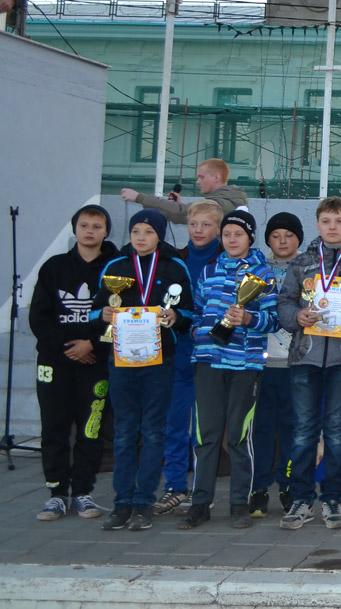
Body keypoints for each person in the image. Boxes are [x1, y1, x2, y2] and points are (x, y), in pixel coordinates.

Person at [276, 197, 341, 531]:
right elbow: (284, 301)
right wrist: (297, 316)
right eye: (326, 221)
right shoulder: (302, 263)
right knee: (304, 432)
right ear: (318, 224)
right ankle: (301, 499)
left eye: (339, 221)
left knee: (336, 432)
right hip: (304, 356)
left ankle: (332, 499)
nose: (332, 227)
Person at [94, 209, 193, 531]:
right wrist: (103, 314)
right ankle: (122, 502)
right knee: (124, 432)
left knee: (153, 432)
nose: (140, 237)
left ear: (159, 235)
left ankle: (144, 503)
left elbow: (190, 311)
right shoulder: (115, 266)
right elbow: (96, 309)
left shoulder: (174, 266)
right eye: (136, 231)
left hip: (160, 360)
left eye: (148, 232)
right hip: (122, 359)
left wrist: (177, 318)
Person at [181, 211, 280, 530]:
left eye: (239, 234)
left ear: (250, 237)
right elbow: (197, 311)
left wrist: (249, 319)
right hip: (208, 362)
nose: (232, 239)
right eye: (227, 234)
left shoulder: (263, 274)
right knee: (205, 435)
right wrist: (199, 333)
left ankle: (239, 503)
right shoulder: (208, 271)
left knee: (238, 436)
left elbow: (274, 320)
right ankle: (200, 503)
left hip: (245, 364)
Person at [30, 205, 117, 521]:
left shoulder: (115, 269)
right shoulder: (54, 267)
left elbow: (120, 317)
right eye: (84, 225)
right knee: (54, 425)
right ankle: (56, 494)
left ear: (106, 231)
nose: (90, 231)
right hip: (56, 361)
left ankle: (82, 492)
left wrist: (92, 344)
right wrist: (68, 348)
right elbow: (39, 317)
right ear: (75, 229)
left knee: (90, 428)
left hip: (95, 361)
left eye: (97, 226)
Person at [155, 198, 223, 517]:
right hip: (179, 350)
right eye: (193, 224)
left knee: (205, 426)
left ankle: (201, 489)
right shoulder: (175, 260)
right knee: (176, 420)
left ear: (219, 228)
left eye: (206, 225)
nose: (198, 230)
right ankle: (175, 485)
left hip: (214, 352)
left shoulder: (228, 260)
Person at [249, 212, 303, 518]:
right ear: (267, 240)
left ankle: (288, 486)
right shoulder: (257, 270)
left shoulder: (309, 269)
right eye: (275, 236)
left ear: (299, 239)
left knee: (292, 428)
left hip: (296, 363)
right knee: (261, 428)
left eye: (289, 236)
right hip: (261, 362)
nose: (282, 241)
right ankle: (258, 487)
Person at [120, 158, 249, 222]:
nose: (198, 182)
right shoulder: (229, 199)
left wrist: (139, 197)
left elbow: (181, 212)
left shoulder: (219, 204)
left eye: (201, 177)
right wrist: (176, 207)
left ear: (216, 177)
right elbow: (185, 216)